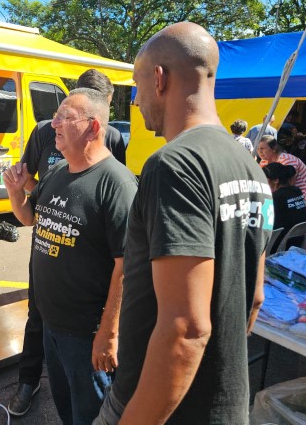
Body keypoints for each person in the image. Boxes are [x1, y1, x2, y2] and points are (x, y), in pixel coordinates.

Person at [95, 22, 272, 425]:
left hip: (159, 406)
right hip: (225, 405)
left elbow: (186, 329)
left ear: (159, 79)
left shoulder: (174, 165)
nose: (135, 100)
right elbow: (256, 297)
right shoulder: (252, 167)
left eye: (137, 85)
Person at [4, 88, 137, 424]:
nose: (54, 125)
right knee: (66, 408)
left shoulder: (117, 185)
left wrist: (109, 333)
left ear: (93, 128)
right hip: (51, 324)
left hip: (87, 333)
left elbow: (128, 266)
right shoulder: (57, 172)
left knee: (91, 414)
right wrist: (15, 192)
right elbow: (31, 218)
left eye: (65, 117)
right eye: (55, 117)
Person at [258, 135, 306, 222]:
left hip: (303, 196)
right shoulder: (264, 162)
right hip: (288, 197)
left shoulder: (288, 160)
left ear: (274, 149)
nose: (259, 152)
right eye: (258, 149)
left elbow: (289, 186)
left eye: (262, 148)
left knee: (303, 224)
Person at [262, 162, 306, 251]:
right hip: (297, 243)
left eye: (265, 179)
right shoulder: (297, 191)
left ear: (276, 180)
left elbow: (265, 226)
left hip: (279, 246)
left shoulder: (274, 198)